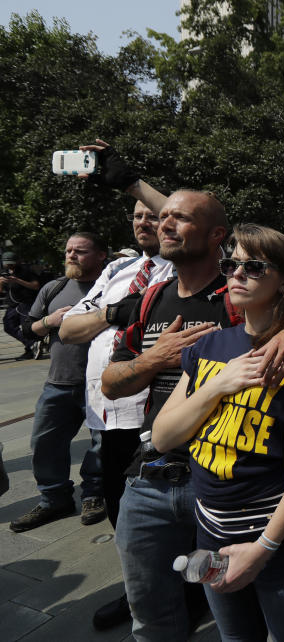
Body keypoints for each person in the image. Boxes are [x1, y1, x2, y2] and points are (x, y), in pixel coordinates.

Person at [85, 139, 284, 640]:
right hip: (162, 484)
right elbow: (114, 387)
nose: (163, 224)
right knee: (157, 614)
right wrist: (166, 362)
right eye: (234, 266)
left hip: (259, 513)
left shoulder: (235, 305)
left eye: (250, 267)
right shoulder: (151, 298)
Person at [152, 224, 284, 641]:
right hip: (211, 530)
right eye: (231, 264)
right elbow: (164, 437)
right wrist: (220, 384)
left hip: (279, 539)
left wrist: (263, 551)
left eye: (253, 267)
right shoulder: (210, 348)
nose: (236, 274)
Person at [59, 200, 176, 630]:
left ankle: (181, 589)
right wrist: (113, 312)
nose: (146, 222)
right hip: (105, 414)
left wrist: (128, 181)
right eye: (137, 216)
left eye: (156, 214)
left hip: (155, 413)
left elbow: (193, 215)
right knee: (119, 509)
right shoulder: (115, 272)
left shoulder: (186, 268)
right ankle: (140, 588)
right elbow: (69, 329)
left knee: (166, 511)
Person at [9, 233, 107, 532]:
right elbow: (28, 329)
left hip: (101, 385)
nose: (71, 255)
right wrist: (49, 322)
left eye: (80, 251)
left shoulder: (113, 287)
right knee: (44, 443)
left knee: (102, 446)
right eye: (68, 250)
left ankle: (94, 494)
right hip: (59, 383)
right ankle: (54, 498)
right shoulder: (54, 288)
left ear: (101, 255)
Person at [1, 251, 41, 359]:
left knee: (27, 328)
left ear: (17, 261)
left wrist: (17, 280)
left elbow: (35, 286)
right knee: (8, 326)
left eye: (12, 263)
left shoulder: (26, 270)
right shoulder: (4, 272)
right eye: (7, 263)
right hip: (12, 305)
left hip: (26, 303)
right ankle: (32, 344)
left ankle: (30, 349)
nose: (9, 265)